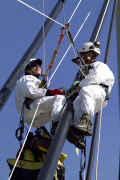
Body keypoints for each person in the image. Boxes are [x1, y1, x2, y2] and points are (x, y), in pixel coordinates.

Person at [66, 42, 115, 145]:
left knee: (86, 90)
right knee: (76, 104)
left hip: (100, 92)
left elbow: (96, 78)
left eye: (82, 54)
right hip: (90, 97)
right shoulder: (84, 70)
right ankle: (78, 135)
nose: (81, 57)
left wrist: (80, 85)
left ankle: (87, 122)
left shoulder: (100, 66)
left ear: (90, 54)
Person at [15, 58, 66, 128]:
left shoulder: (37, 83)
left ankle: (62, 129)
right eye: (34, 65)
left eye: (39, 65)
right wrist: (49, 92)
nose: (38, 67)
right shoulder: (26, 78)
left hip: (37, 118)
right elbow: (30, 92)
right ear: (28, 70)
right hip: (30, 109)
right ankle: (57, 125)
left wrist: (59, 91)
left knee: (63, 104)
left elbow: (41, 94)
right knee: (59, 99)